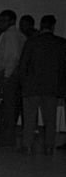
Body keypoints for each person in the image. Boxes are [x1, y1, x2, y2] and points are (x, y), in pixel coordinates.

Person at [18, 15, 66, 154]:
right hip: (51, 87)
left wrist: (23, 83)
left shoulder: (31, 42)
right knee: (50, 120)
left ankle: (27, 145)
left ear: (41, 25)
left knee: (29, 119)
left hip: (31, 87)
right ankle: (49, 146)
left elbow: (23, 65)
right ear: (53, 26)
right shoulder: (61, 43)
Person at [0, 8, 25, 146]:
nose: (2, 23)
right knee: (10, 109)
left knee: (7, 110)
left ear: (12, 21)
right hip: (13, 76)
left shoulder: (9, 35)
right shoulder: (20, 35)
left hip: (8, 76)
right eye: (1, 21)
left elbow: (13, 57)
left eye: (5, 20)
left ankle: (6, 140)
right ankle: (7, 139)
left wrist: (5, 76)